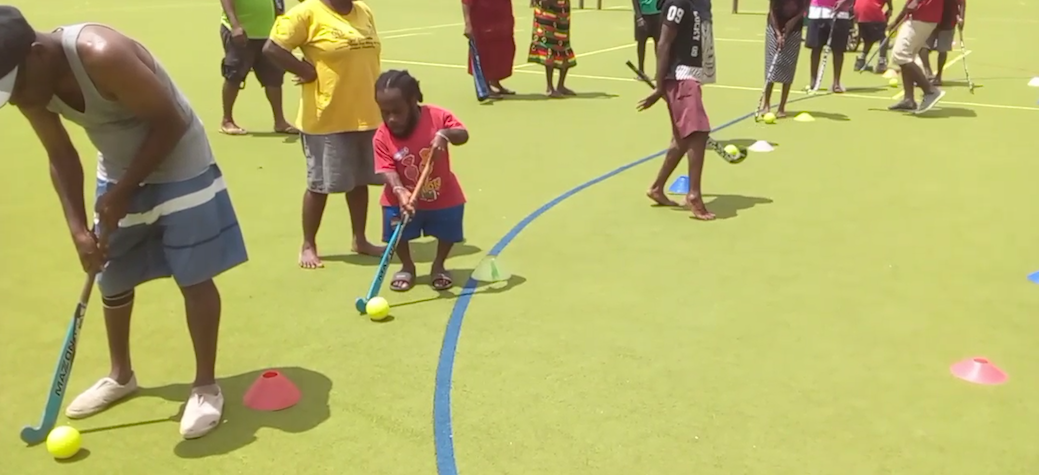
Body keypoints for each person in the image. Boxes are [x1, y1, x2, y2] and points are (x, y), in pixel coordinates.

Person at [0, 6, 247, 438]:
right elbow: (60, 155)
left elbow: (171, 120)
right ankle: (121, 375)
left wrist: (124, 190)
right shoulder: (27, 82)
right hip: (116, 168)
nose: (15, 99)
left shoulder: (101, 54)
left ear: (36, 54)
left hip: (179, 160)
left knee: (193, 275)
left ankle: (205, 385)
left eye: (14, 87)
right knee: (111, 277)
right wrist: (78, 229)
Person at [264, 0, 385, 269]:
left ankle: (360, 239)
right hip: (326, 116)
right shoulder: (306, 12)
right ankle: (308, 244)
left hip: (367, 112)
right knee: (320, 184)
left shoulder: (363, 11)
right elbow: (272, 48)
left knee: (360, 180)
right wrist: (305, 70)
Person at [372, 71, 469, 291]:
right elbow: (385, 167)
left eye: (397, 111)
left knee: (448, 230)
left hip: (443, 194)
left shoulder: (436, 116)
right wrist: (399, 190)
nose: (391, 119)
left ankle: (439, 265)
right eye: (384, 112)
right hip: (399, 198)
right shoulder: (381, 135)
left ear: (413, 100)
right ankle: (407, 266)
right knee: (397, 234)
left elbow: (462, 134)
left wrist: (445, 134)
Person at [638, 0, 717, 220]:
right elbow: (663, 43)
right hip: (681, 77)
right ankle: (694, 195)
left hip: (688, 75)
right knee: (698, 134)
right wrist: (659, 86)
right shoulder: (678, 3)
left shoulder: (694, 4)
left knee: (681, 139)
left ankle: (656, 187)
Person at [219, 0, 297, 135]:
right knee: (234, 75)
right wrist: (235, 25)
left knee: (274, 77)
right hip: (240, 32)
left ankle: (280, 121)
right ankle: (227, 120)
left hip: (268, 33)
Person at [887, 0, 946, 112]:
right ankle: (909, 100)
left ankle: (930, 90)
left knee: (900, 54)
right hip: (924, 16)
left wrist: (896, 21)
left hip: (921, 15)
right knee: (907, 55)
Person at [764, 0, 810, 117]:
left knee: (789, 66)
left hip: (795, 29)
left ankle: (781, 106)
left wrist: (792, 23)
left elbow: (804, 8)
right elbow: (772, 11)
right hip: (774, 27)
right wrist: (778, 34)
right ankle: (766, 104)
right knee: (771, 67)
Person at [462, 0, 517, 98]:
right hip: (483, 22)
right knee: (486, 55)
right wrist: (467, 24)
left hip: (502, 21)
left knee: (503, 52)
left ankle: (495, 81)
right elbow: (466, 2)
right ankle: (486, 86)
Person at [528, 0, 577, 98]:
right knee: (549, 46)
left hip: (562, 10)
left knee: (563, 44)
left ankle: (560, 85)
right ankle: (550, 87)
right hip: (547, 9)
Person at [805, 0, 853, 93]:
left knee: (838, 50)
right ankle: (813, 81)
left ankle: (836, 83)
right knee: (816, 48)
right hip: (817, 12)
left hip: (839, 14)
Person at [919, 0, 963, 86]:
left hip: (948, 22)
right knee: (922, 47)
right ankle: (928, 72)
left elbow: (962, 3)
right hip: (931, 21)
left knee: (942, 49)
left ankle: (938, 76)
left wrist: (961, 17)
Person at [853, 0, 893, 73]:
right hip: (871, 9)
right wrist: (890, 8)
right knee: (884, 35)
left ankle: (861, 60)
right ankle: (882, 62)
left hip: (858, 10)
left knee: (868, 38)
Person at [631, 0, 662, 76]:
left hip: (657, 14)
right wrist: (638, 16)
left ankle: (659, 72)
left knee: (659, 44)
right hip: (643, 15)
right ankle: (641, 71)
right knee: (641, 43)